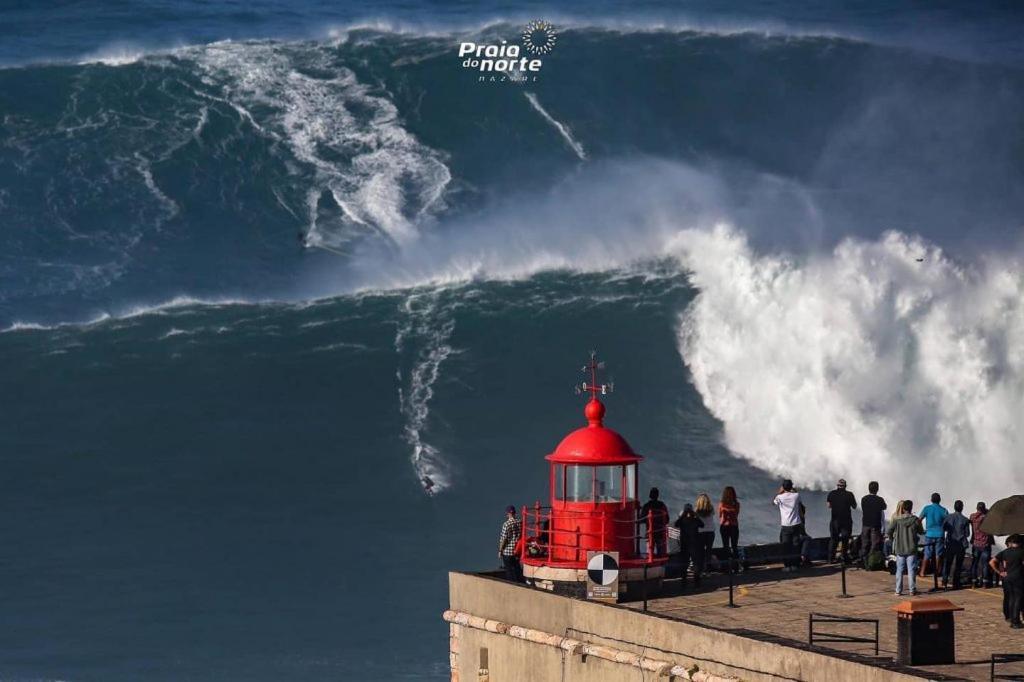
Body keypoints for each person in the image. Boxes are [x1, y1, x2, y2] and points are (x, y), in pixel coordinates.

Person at [889, 500, 924, 596]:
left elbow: (889, 530)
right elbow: (921, 531)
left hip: (900, 548)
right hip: (912, 548)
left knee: (899, 570)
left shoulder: (897, 520)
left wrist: (892, 539)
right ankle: (912, 590)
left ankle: (898, 590)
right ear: (911, 508)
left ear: (903, 508)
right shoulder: (915, 520)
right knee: (911, 570)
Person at [989, 534, 1024, 629]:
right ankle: (1016, 621)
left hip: (1007, 578)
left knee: (1011, 598)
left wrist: (999, 572)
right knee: (1018, 599)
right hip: (1018, 577)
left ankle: (1011, 618)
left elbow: (991, 562)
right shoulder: (1021, 552)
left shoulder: (1005, 552)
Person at [773, 479, 803, 572]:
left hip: (786, 525)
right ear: (791, 487)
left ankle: (787, 566)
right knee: (795, 545)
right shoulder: (796, 496)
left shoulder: (779, 497)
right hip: (796, 524)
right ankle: (795, 565)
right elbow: (799, 502)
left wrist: (780, 492)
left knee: (786, 546)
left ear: (783, 487)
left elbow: (774, 503)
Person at [826, 478, 857, 564]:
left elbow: (828, 506)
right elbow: (854, 506)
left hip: (835, 521)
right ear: (845, 486)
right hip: (846, 521)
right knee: (845, 540)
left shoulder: (832, 493)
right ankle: (844, 558)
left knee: (833, 539)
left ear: (837, 486)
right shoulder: (849, 494)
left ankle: (830, 559)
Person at [941, 500, 970, 589]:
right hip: (960, 545)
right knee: (958, 564)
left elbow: (944, 528)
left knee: (947, 563)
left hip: (950, 543)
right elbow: (967, 534)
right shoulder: (965, 519)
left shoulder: (948, 517)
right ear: (962, 508)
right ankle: (956, 583)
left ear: (954, 507)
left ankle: (944, 581)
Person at [674, 504, 704, 587]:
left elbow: (676, 524)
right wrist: (696, 515)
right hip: (694, 544)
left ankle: (684, 581)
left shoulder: (682, 520)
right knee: (695, 563)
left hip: (684, 544)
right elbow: (702, 525)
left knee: (684, 562)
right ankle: (697, 581)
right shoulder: (695, 520)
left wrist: (681, 515)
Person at [919, 493, 948, 578]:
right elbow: (948, 522)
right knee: (938, 554)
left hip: (929, 534)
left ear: (931, 500)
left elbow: (919, 520)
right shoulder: (943, 510)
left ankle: (922, 572)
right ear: (940, 500)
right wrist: (944, 529)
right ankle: (936, 573)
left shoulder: (927, 508)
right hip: (940, 534)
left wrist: (921, 530)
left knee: (927, 553)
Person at [860, 481, 887, 567]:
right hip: (875, 525)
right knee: (874, 544)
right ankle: (871, 562)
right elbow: (884, 507)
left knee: (865, 543)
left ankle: (864, 561)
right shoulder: (879, 499)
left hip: (865, 524)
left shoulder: (864, 499)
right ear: (877, 489)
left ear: (869, 489)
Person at [971, 502, 995, 588]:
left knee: (975, 564)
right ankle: (985, 583)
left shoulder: (972, 516)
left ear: (977, 508)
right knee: (985, 564)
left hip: (976, 544)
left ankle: (973, 583)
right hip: (985, 544)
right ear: (984, 509)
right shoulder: (986, 517)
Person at [640, 487, 669, 557]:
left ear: (650, 495)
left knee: (649, 552)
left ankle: (649, 563)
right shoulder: (662, 505)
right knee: (661, 552)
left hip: (650, 533)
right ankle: (661, 563)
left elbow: (642, 519)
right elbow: (667, 519)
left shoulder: (647, 506)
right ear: (657, 495)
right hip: (660, 532)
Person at [497, 505, 522, 582]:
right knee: (517, 569)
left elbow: (503, 539)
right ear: (514, 512)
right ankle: (520, 584)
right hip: (517, 550)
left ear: (508, 514)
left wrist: (500, 551)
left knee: (509, 571)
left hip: (507, 552)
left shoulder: (506, 524)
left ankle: (512, 585)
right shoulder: (520, 522)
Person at [695, 493, 717, 575]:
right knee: (708, 551)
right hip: (710, 532)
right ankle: (707, 570)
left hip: (701, 532)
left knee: (700, 552)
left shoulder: (697, 510)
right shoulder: (711, 508)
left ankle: (700, 570)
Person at [719, 486, 741, 560]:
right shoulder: (736, 504)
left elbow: (720, 515)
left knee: (726, 546)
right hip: (734, 526)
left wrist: (725, 511)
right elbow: (736, 514)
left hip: (724, 526)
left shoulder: (722, 504)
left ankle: (726, 567)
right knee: (734, 546)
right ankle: (735, 566)